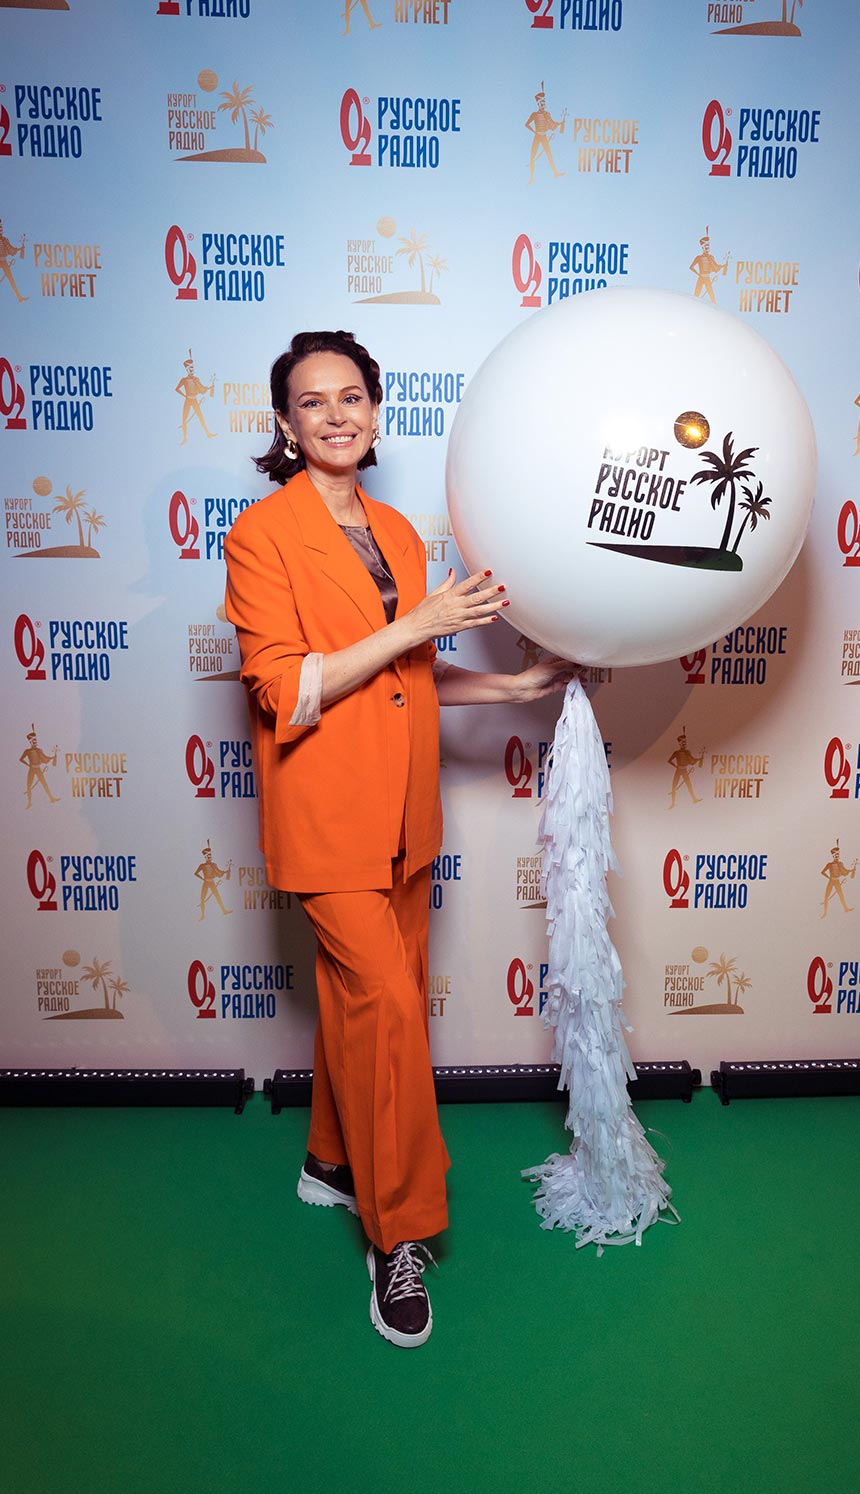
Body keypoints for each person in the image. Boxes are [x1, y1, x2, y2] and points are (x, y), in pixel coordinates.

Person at [224, 330, 572, 1349]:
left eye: (352, 397)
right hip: (326, 813)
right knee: (385, 1009)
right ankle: (399, 1234)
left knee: (372, 999)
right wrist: (417, 623)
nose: (335, 415)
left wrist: (510, 684)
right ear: (286, 425)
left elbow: (404, 672)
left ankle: (330, 1159)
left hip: (407, 812)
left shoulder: (395, 533)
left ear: (375, 412)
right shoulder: (260, 536)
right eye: (312, 402)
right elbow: (284, 687)